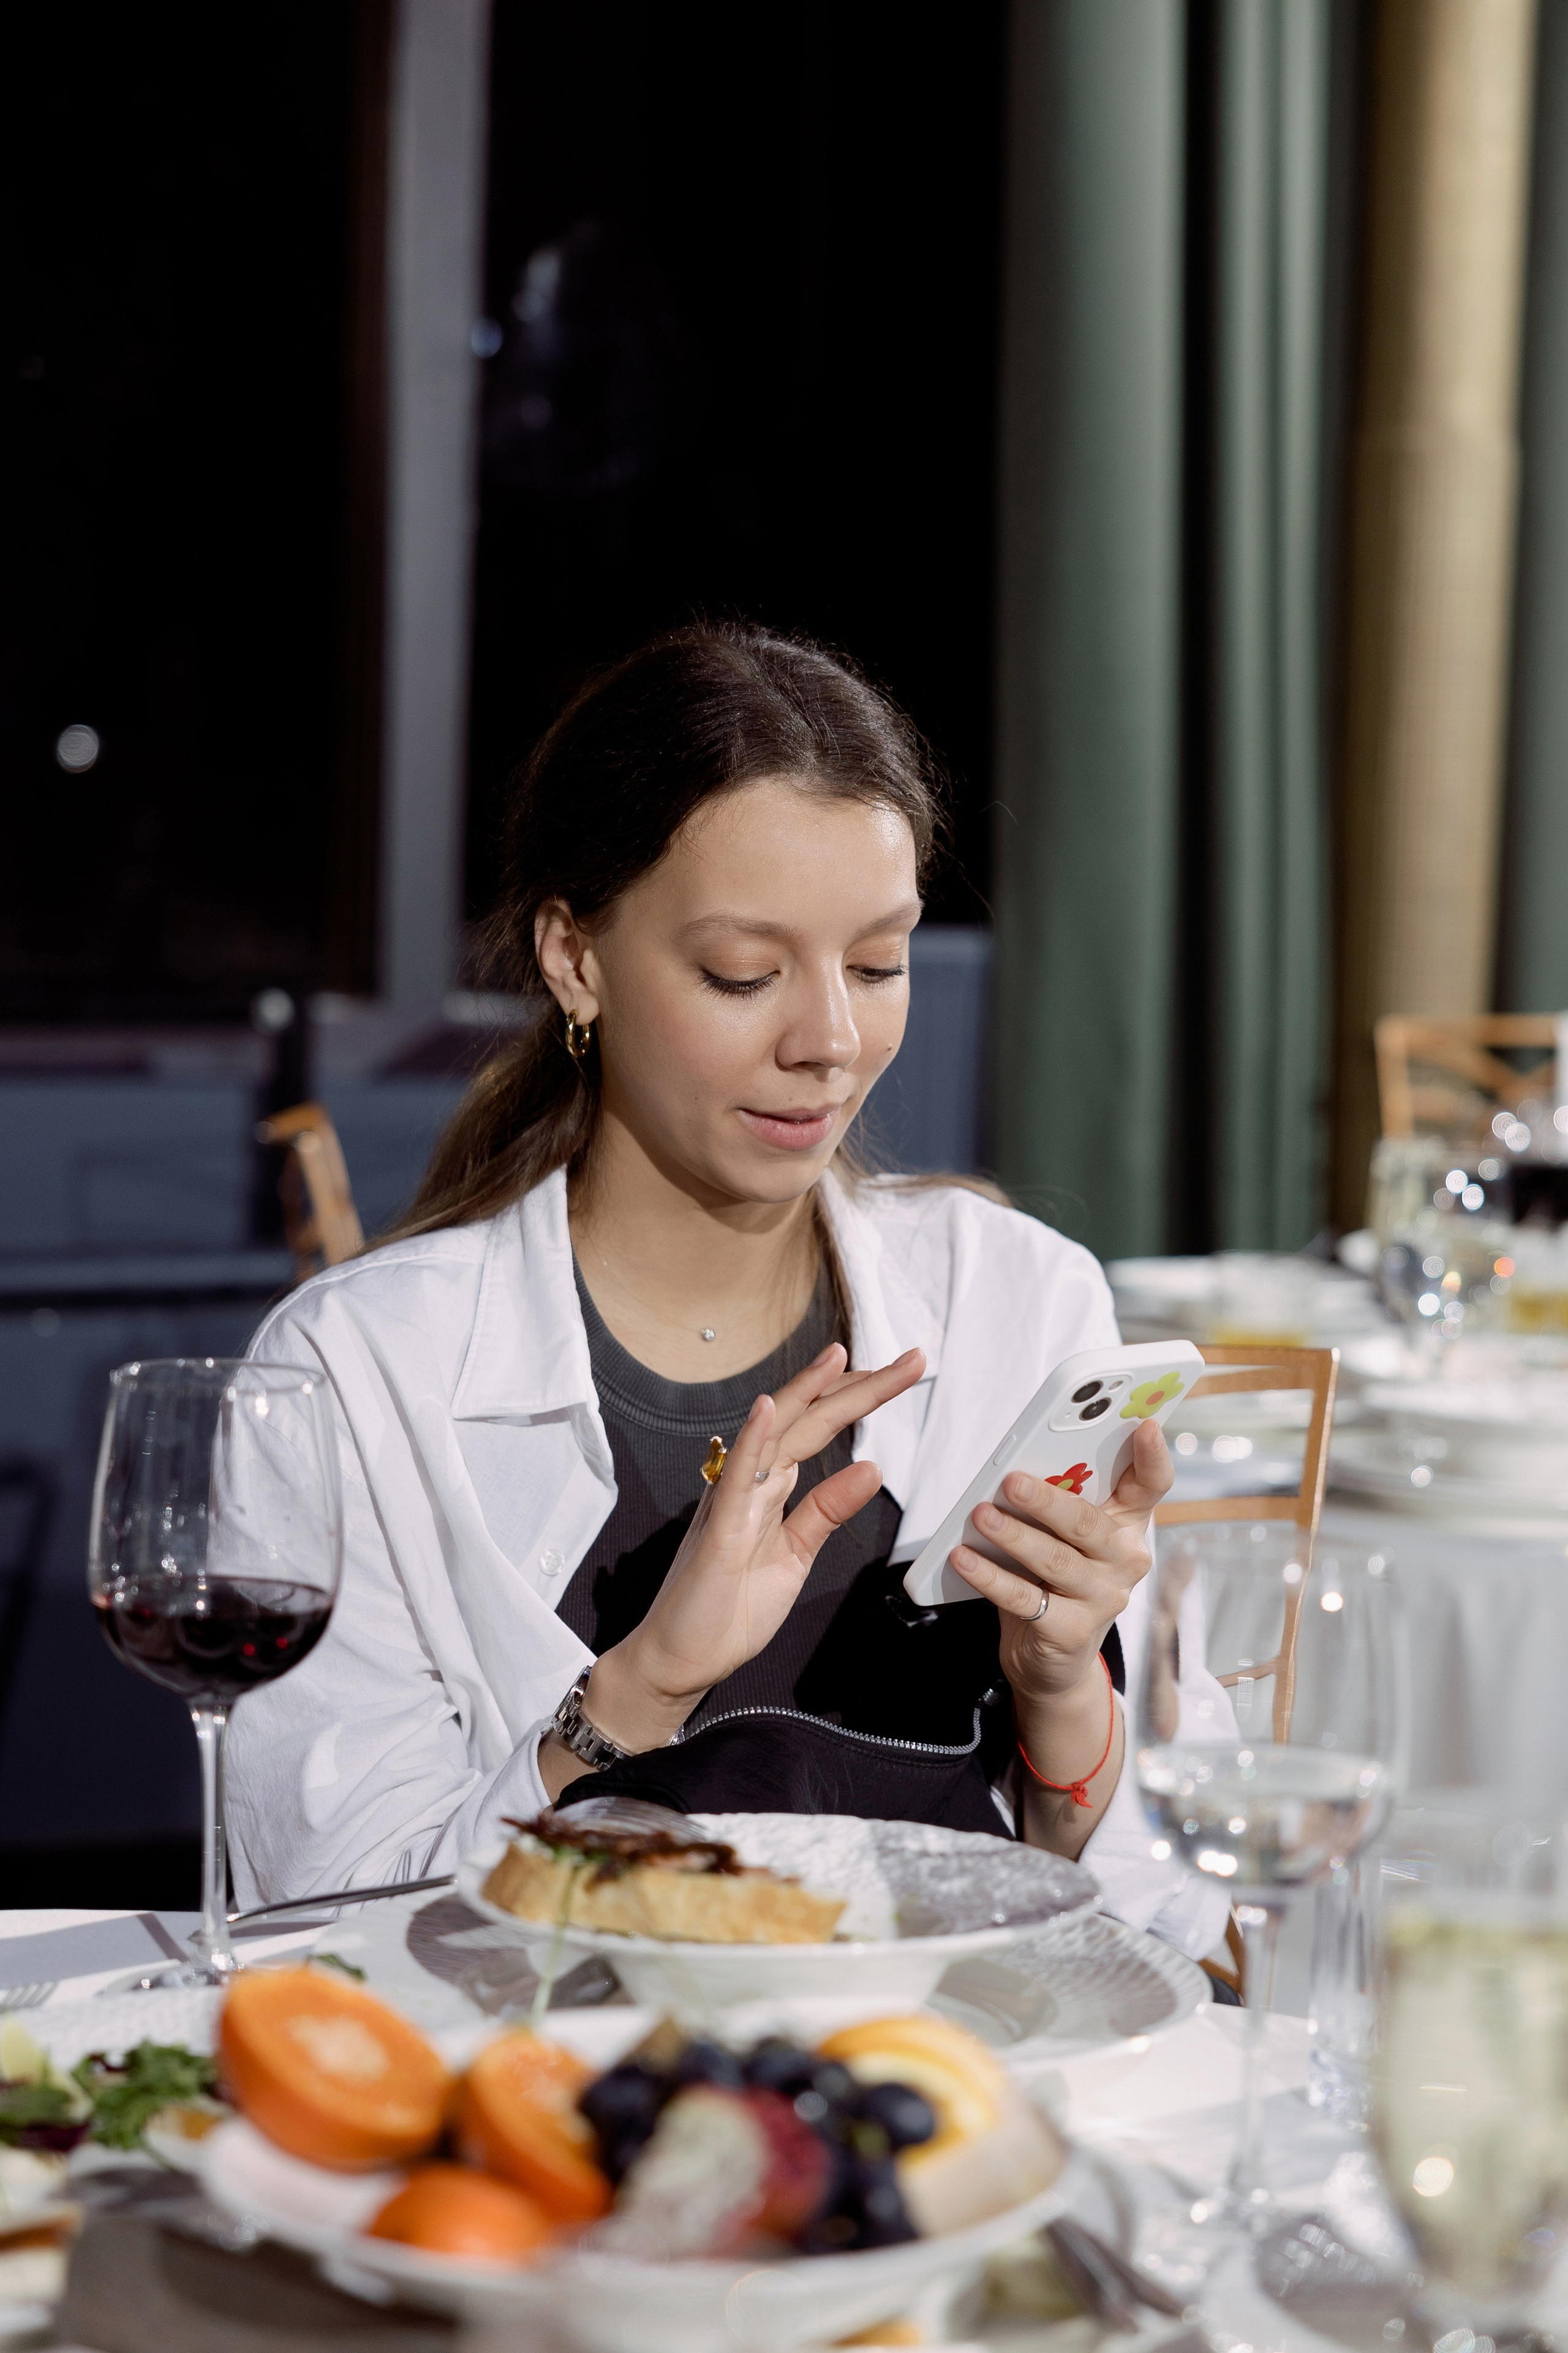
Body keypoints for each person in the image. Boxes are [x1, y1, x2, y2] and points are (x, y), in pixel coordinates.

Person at [226, 624, 1226, 1960]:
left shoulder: (1018, 1303)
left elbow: (1171, 1906)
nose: (827, 1041)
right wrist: (634, 1694)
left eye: (877, 964)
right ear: (575, 960)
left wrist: (1062, 1690)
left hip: (950, 2090)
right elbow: (320, 1936)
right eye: (742, 975)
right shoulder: (355, 1376)